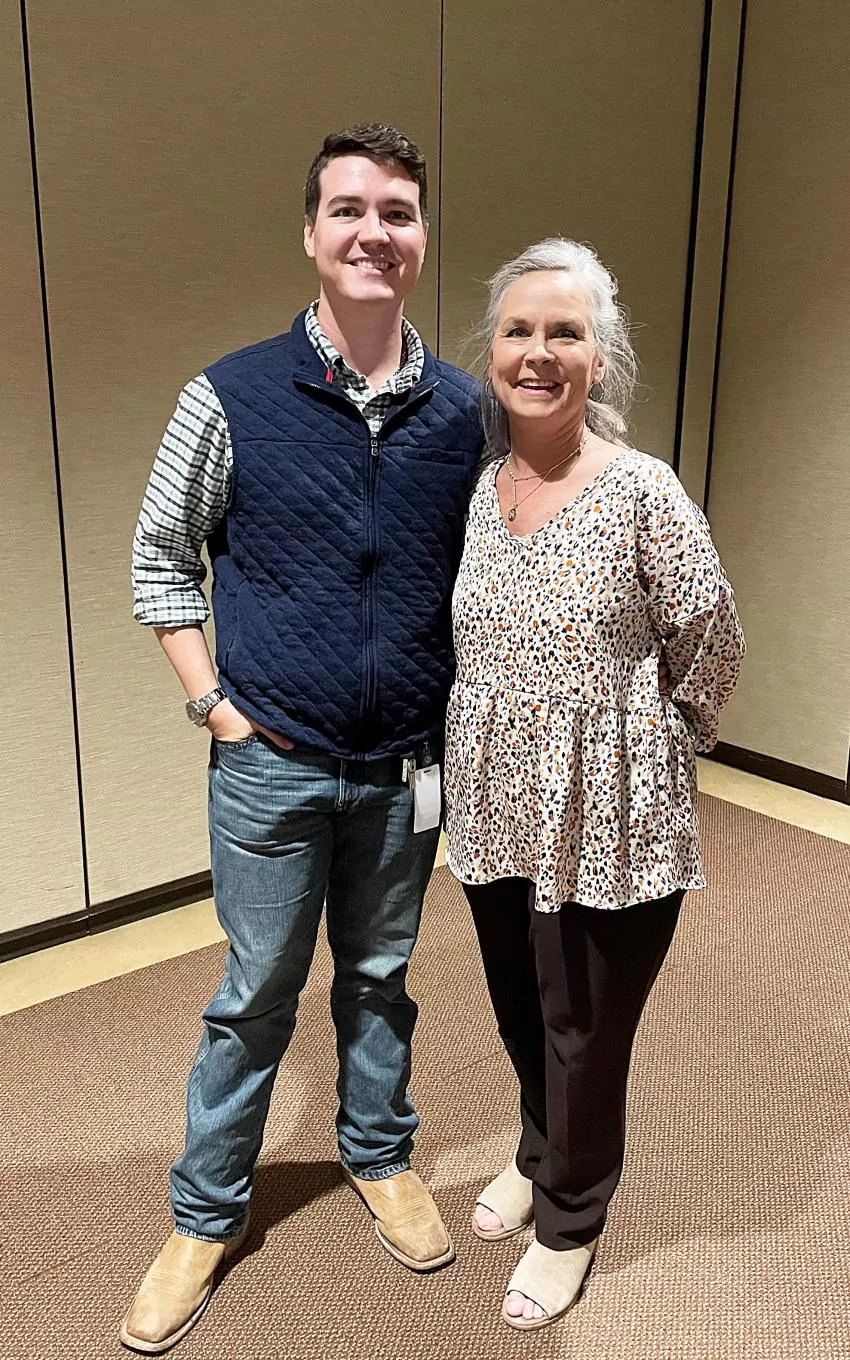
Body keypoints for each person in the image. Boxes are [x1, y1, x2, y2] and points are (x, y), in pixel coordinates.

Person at [122, 123, 482, 1354]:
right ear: (312, 233)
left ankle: (378, 1154)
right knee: (254, 995)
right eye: (350, 209)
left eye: (398, 211)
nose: (375, 231)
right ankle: (204, 1214)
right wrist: (216, 710)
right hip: (268, 761)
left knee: (381, 979)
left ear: (420, 236)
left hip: (404, 769)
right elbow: (159, 561)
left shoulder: (465, 413)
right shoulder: (227, 394)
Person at [443, 238, 745, 1332]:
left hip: (607, 813)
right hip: (494, 802)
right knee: (519, 1004)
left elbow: (710, 637)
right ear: (491, 352)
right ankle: (540, 1148)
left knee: (583, 1025)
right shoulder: (481, 490)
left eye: (564, 332)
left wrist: (657, 745)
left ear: (599, 356)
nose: (538, 352)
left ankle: (571, 1218)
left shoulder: (641, 490)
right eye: (518, 330)